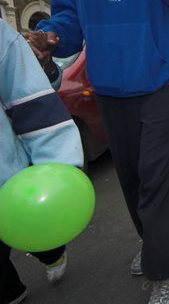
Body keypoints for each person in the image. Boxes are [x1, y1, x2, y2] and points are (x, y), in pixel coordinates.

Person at [24, 0, 169, 302]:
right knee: (134, 181)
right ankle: (156, 244)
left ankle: (167, 269)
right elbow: (69, 14)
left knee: (160, 180)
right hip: (108, 83)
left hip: (164, 79)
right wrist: (51, 36)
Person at [0, 19, 83, 303]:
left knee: (28, 229)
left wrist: (57, 171)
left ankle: (52, 251)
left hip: (6, 176)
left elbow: (27, 97)